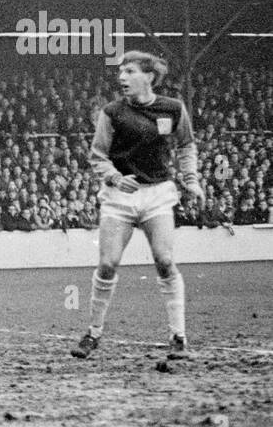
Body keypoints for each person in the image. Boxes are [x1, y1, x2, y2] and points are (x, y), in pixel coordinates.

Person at [71, 52, 204, 360]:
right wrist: (116, 178)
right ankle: (93, 333)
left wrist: (192, 180)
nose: (122, 77)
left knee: (164, 260)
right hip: (119, 198)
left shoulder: (173, 108)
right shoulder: (112, 112)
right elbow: (97, 155)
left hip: (157, 193)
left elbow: (186, 145)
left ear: (149, 76)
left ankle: (179, 337)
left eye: (129, 71)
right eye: (120, 72)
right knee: (108, 263)